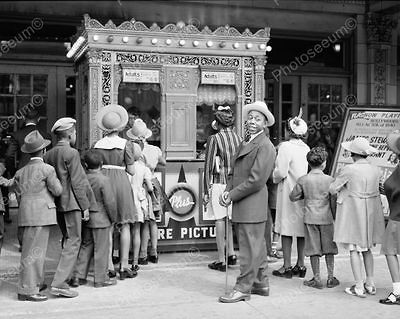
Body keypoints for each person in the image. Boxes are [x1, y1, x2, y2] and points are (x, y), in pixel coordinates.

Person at [218, 101, 275, 303]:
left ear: (265, 123)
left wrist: (231, 194)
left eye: (257, 119)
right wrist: (227, 191)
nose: (252, 121)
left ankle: (243, 288)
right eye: (250, 117)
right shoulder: (247, 142)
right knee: (255, 247)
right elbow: (235, 171)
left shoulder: (265, 146)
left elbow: (256, 181)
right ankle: (260, 283)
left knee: (249, 249)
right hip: (245, 202)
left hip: (252, 203)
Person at [0, 130, 63, 302]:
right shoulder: (47, 169)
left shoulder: (21, 171)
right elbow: (57, 190)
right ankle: (27, 290)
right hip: (42, 214)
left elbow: (11, 184)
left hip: (27, 214)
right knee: (34, 254)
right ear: (43, 151)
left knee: (32, 251)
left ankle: (36, 282)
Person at [329, 137, 385, 298]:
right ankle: (370, 283)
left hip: (354, 212)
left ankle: (359, 286)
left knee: (354, 249)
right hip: (370, 213)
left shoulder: (349, 169)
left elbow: (333, 189)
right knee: (367, 248)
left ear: (352, 153)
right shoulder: (376, 169)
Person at [44, 117, 93, 298]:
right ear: (70, 134)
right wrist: (85, 206)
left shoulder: (47, 154)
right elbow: (78, 183)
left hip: (57, 203)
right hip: (72, 203)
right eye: (75, 133)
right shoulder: (71, 153)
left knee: (67, 239)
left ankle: (66, 276)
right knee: (74, 241)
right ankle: (59, 283)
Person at [93, 104, 139, 280]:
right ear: (120, 127)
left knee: (108, 225)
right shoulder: (126, 144)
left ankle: (109, 266)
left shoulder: (96, 145)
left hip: (103, 181)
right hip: (121, 181)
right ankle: (124, 266)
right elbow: (132, 171)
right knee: (125, 224)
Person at [289, 147, 339, 289]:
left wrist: (305, 195)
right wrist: (335, 217)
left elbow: (293, 197)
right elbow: (333, 202)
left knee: (313, 249)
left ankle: (316, 278)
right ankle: (330, 278)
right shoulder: (330, 180)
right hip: (327, 218)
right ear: (324, 164)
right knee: (329, 248)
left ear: (309, 164)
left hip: (310, 218)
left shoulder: (303, 180)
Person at [70, 149, 118, 288]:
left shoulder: (83, 177)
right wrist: (113, 218)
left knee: (86, 246)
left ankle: (78, 277)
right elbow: (110, 202)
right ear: (101, 164)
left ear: (85, 165)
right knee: (101, 249)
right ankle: (100, 279)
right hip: (101, 218)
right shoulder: (104, 179)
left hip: (86, 217)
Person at [272, 109, 310, 279]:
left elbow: (280, 171)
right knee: (301, 229)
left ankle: (287, 266)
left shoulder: (285, 146)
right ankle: (300, 264)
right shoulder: (306, 148)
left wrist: (273, 176)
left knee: (286, 228)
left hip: (288, 190)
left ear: (288, 131)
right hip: (302, 192)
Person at [203, 106, 241, 272]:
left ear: (217, 123)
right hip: (235, 184)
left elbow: (208, 166)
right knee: (230, 220)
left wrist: (206, 190)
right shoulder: (239, 138)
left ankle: (221, 259)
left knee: (219, 219)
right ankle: (232, 254)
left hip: (219, 182)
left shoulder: (214, 139)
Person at [127, 118, 166, 265]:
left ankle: (141, 254)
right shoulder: (154, 150)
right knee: (152, 221)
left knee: (140, 222)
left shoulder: (132, 149)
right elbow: (164, 162)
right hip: (153, 184)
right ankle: (154, 252)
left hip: (138, 186)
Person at [379, 131, 400, 305]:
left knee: (390, 251)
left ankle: (398, 292)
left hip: (397, 217)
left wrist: (383, 187)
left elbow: (391, 188)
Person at [128, 142, 153, 271]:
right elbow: (150, 187)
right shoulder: (144, 168)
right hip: (138, 200)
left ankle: (122, 259)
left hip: (126, 200)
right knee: (136, 230)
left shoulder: (124, 167)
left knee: (123, 230)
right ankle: (135, 261)